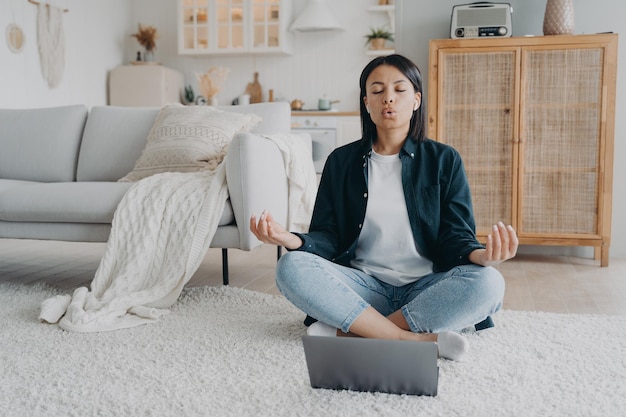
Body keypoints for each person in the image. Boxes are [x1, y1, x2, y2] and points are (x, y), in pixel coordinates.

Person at [250, 54, 518, 361]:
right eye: (377, 91)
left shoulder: (444, 159)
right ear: (366, 103)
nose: (387, 98)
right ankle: (411, 339)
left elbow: (455, 235)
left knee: (489, 282)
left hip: (425, 289)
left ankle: (351, 334)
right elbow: (329, 236)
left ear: (416, 100)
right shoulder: (341, 161)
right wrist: (292, 240)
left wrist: (483, 256)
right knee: (291, 266)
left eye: (399, 90)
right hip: (363, 289)